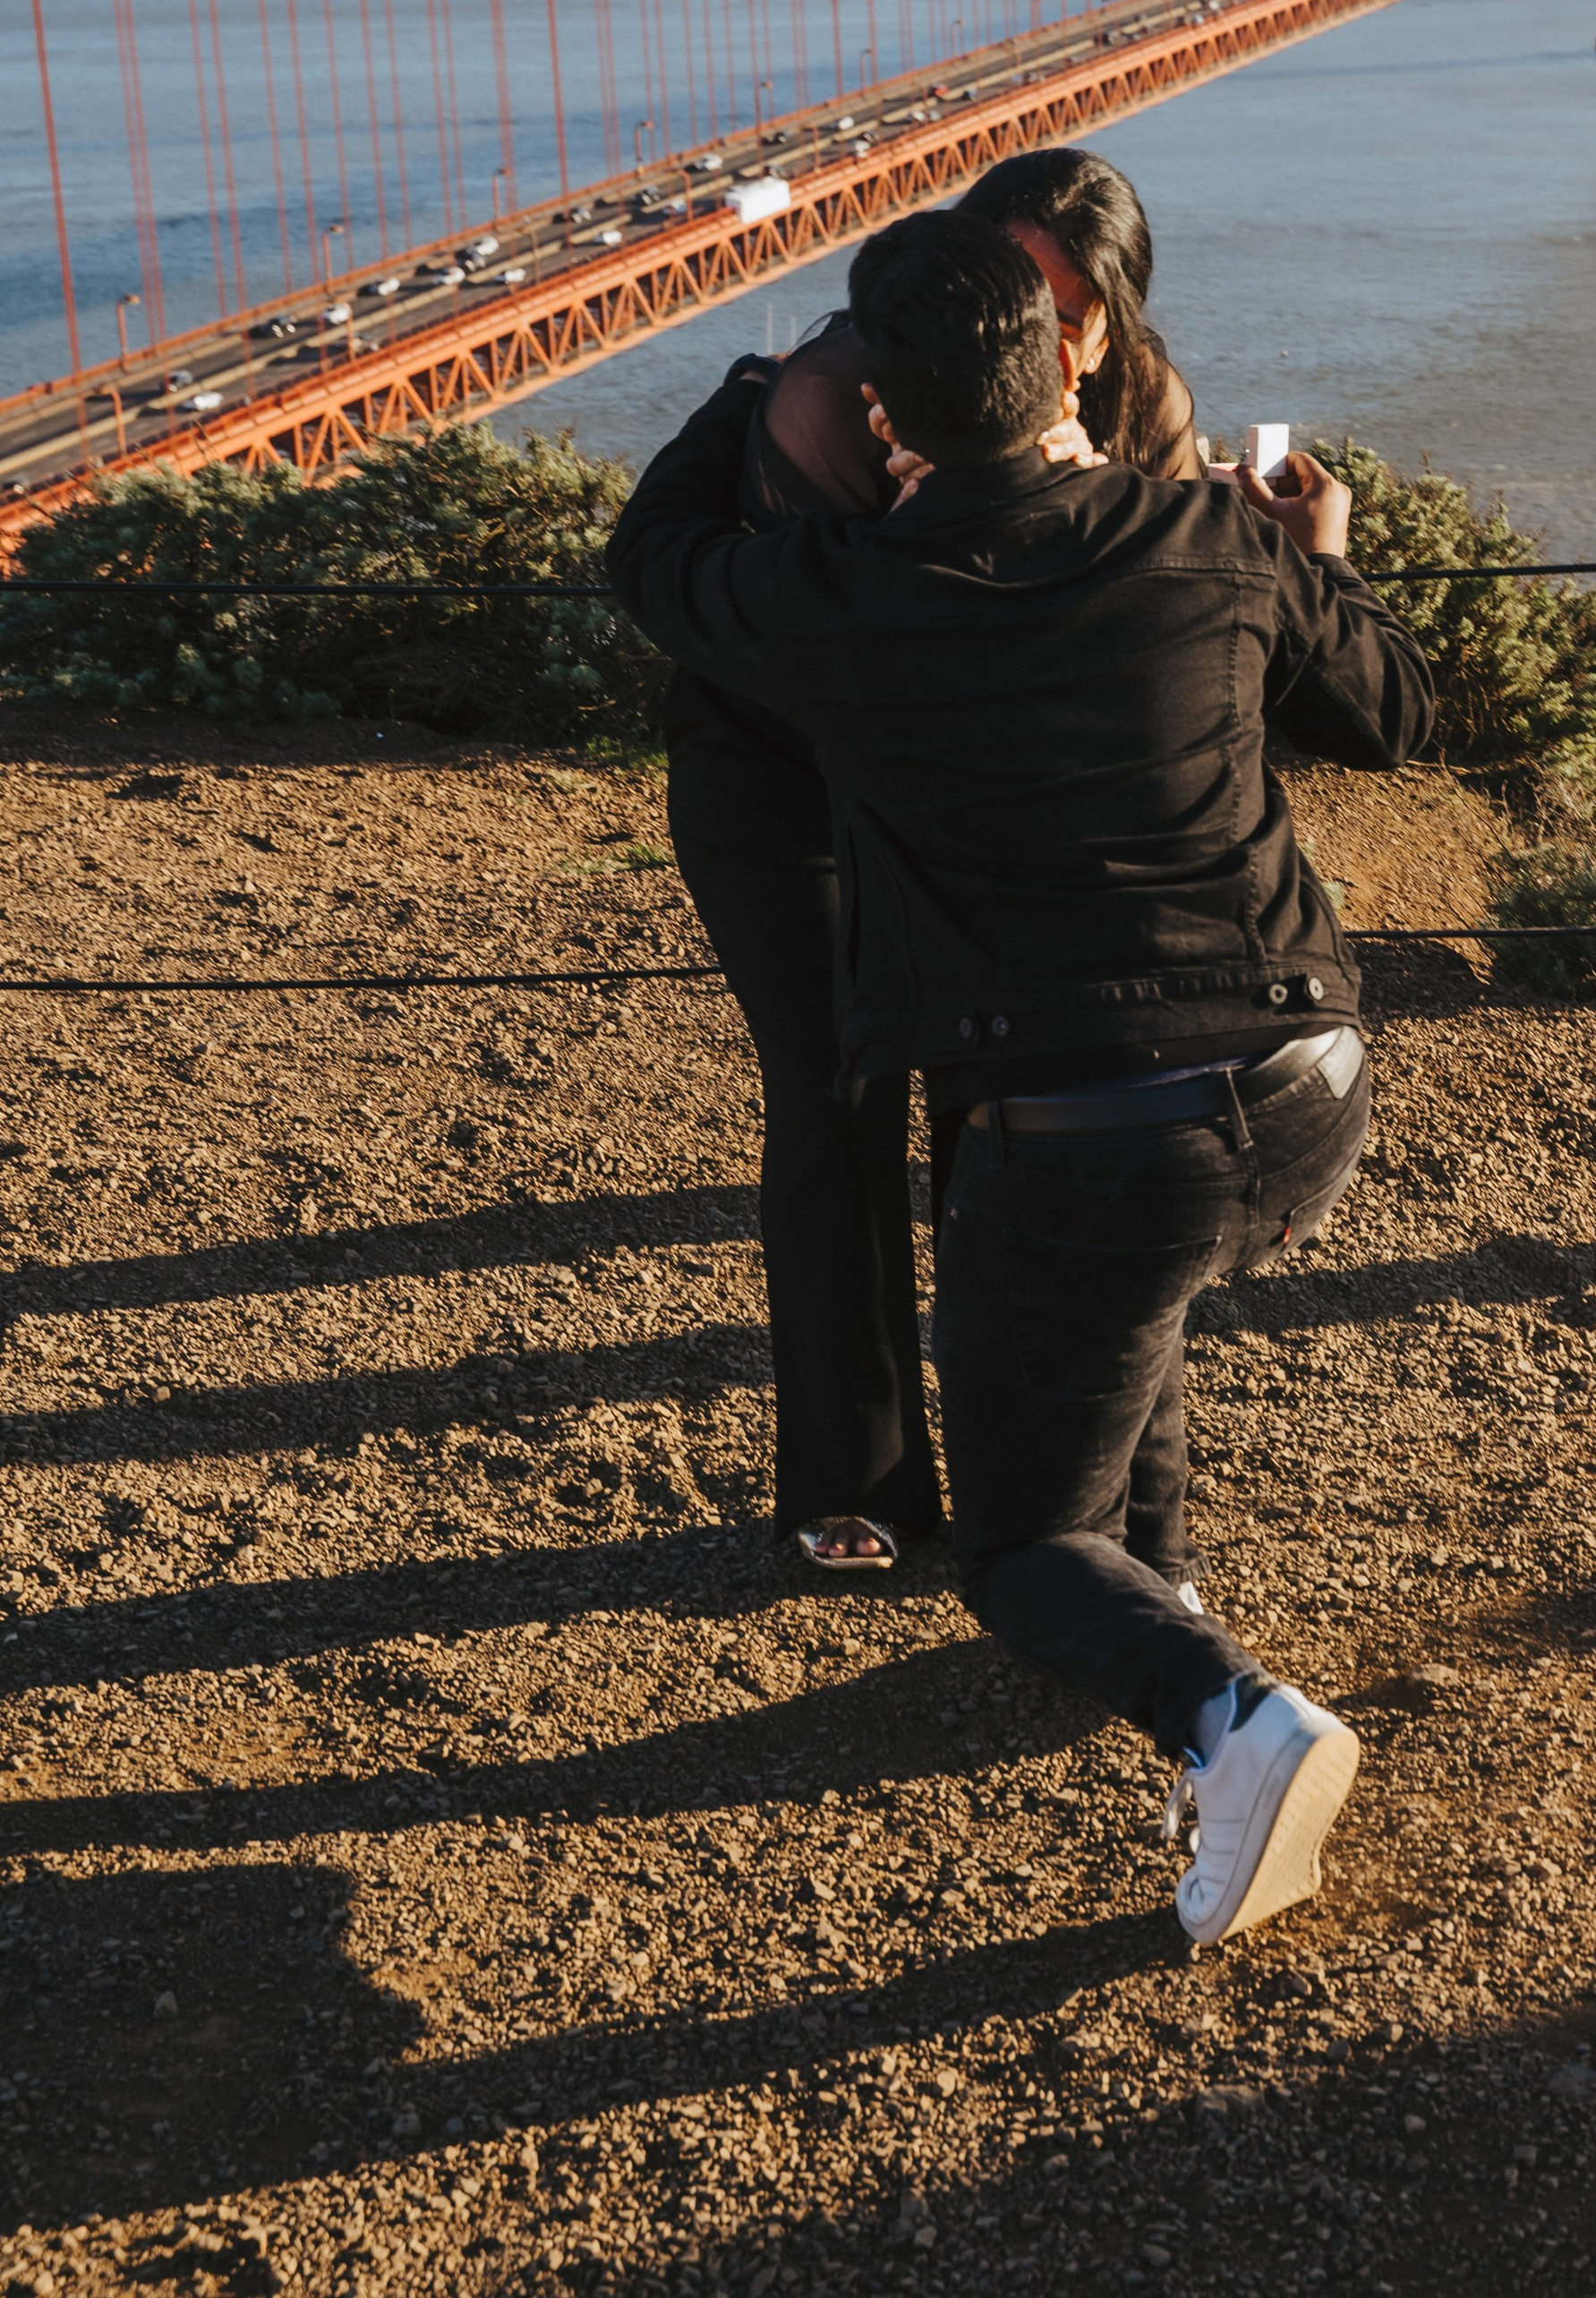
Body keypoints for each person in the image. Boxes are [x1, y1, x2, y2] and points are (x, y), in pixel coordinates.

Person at [608, 214, 1436, 1943]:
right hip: (1309, 1084)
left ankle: (1230, 1717)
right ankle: (1169, 1589)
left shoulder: (830, 602)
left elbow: (652, 558)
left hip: (1092, 1135)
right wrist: (1325, 555)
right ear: (1077, 360)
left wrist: (757, 383)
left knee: (1013, 1551)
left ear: (893, 425)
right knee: (1123, 1317)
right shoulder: (1214, 531)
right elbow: (1389, 716)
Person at [661, 150, 1200, 1574]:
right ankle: (858, 1483)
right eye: (1022, 286)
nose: (1052, 331)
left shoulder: (1144, 401)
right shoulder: (830, 399)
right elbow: (816, 637)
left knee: (1014, 1115)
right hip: (789, 792)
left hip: (983, 799)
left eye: (1082, 304)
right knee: (837, 1109)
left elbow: (1164, 608)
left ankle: (1053, 1495)